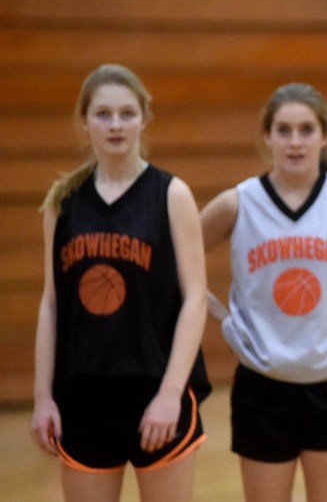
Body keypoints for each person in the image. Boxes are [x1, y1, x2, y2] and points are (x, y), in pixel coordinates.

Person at [30, 63, 211, 502]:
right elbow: (52, 304)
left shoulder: (171, 194)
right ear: (84, 120)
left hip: (155, 389)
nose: (115, 125)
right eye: (103, 114)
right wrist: (42, 397)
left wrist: (170, 394)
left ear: (145, 118)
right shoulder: (63, 201)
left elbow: (195, 300)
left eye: (126, 113)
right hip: (83, 394)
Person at [200, 82, 327, 502]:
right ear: (267, 136)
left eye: (305, 129)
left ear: (325, 135)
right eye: (284, 130)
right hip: (262, 386)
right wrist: (221, 317)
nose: (295, 141)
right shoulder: (238, 203)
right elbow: (176, 259)